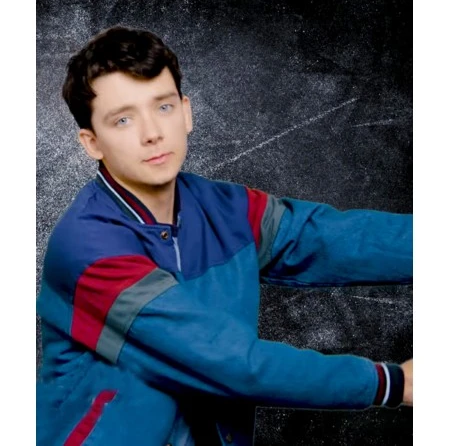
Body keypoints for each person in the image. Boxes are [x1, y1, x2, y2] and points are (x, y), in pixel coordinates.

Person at [36, 25, 413, 446]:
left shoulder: (225, 208)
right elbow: (231, 363)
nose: (152, 133)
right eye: (123, 119)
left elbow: (332, 239)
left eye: (163, 107)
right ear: (92, 143)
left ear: (186, 112)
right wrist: (391, 383)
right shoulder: (87, 248)